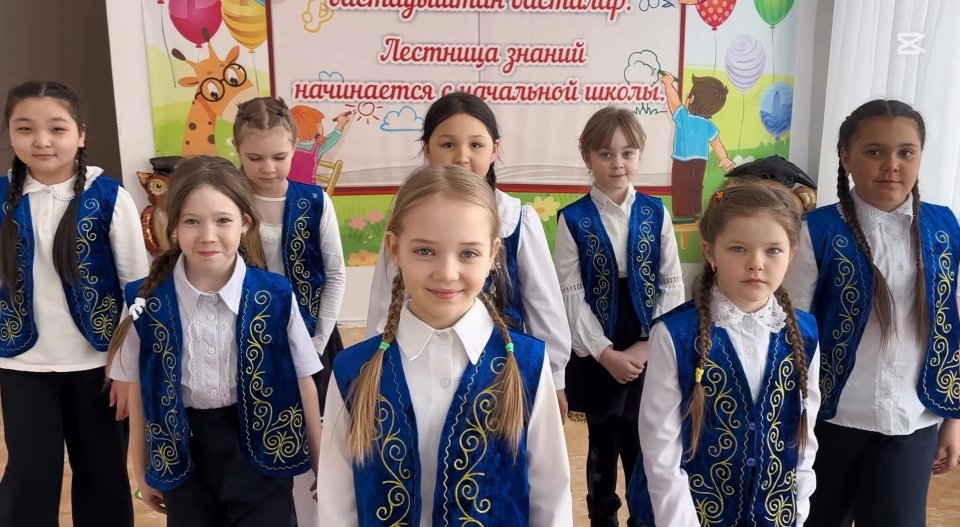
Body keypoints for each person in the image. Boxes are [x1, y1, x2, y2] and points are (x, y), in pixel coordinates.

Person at [319, 164, 573, 526]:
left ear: (493, 254)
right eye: (425, 251)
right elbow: (336, 507)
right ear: (394, 249)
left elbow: (551, 500)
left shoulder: (528, 365)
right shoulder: (353, 370)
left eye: (468, 253)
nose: (447, 272)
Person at [107, 156, 324, 527]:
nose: (207, 235)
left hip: (262, 455)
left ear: (245, 222)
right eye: (192, 221)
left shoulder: (275, 295)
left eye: (222, 220)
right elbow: (142, 389)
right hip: (183, 458)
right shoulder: (145, 300)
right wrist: (141, 468)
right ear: (173, 225)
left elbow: (304, 382)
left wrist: (320, 461)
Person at [782, 99, 960, 527]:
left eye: (906, 152)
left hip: (913, 420)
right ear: (846, 157)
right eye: (875, 151)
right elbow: (793, 332)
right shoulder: (816, 230)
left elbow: (952, 327)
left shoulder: (944, 227)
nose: (891, 165)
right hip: (830, 419)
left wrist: (954, 418)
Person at [365, 91, 572, 419]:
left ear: (495, 150)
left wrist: (555, 378)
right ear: (427, 149)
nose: (462, 157)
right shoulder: (408, 220)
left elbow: (544, 308)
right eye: (448, 144)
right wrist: (376, 370)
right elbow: (382, 305)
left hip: (504, 377)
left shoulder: (517, 219)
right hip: (421, 372)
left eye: (476, 144)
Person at [0, 80, 149, 527]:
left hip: (98, 367)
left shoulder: (110, 197)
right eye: (25, 128)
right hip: (22, 366)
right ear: (10, 133)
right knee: (28, 478)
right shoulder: (2, 198)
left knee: (103, 478)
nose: (42, 140)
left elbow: (137, 291)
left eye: (57, 128)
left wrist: (125, 368)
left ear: (81, 134)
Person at [628, 183, 821, 527]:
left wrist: (798, 508)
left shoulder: (804, 333)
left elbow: (804, 436)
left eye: (773, 250)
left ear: (791, 254)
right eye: (738, 248)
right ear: (710, 251)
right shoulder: (674, 334)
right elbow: (660, 451)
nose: (756, 263)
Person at [554, 106, 684, 525]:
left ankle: (643, 517)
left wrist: (649, 345)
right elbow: (570, 293)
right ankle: (602, 517)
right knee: (602, 442)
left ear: (639, 154)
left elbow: (671, 283)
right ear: (587, 156)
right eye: (605, 154)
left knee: (643, 443)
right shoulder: (572, 219)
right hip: (598, 339)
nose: (617, 163)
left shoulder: (655, 212)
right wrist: (604, 352)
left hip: (648, 337)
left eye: (627, 153)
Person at [660, 72, 735, 223]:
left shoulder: (684, 117)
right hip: (701, 161)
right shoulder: (708, 125)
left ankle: (683, 214)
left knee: (681, 186)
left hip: (683, 159)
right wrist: (724, 158)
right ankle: (695, 211)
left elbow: (674, 102)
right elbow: (717, 143)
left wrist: (668, 84)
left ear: (691, 98)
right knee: (695, 186)